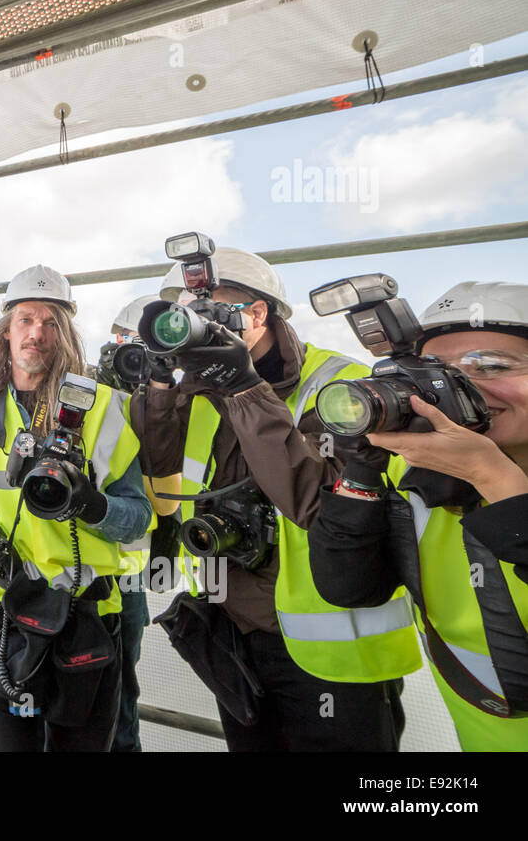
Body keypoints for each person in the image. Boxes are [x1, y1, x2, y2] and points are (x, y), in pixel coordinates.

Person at [133, 245, 419, 751]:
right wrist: (159, 380)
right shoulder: (200, 391)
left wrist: (244, 387)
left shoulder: (342, 384)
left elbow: (318, 506)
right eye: (185, 314)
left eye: (207, 311)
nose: (192, 325)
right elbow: (159, 467)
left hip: (333, 655)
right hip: (235, 635)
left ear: (257, 313)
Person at [0, 265, 151, 751]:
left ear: (64, 334)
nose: (36, 333)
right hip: (0, 604)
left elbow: (138, 519)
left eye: (50, 322)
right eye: (25, 319)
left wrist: (91, 506)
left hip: (84, 611)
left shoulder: (105, 408)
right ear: (6, 330)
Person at [309, 281, 528, 750]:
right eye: (437, 373)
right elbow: (349, 588)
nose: (461, 386)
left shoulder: (472, 474)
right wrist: (362, 470)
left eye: (492, 365)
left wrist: (493, 476)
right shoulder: (425, 484)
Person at [93, 294, 182, 752]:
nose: (137, 360)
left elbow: (169, 501)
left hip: (127, 579)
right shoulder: (87, 395)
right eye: (128, 347)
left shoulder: (170, 406)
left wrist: (154, 403)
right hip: (75, 570)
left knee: (119, 699)